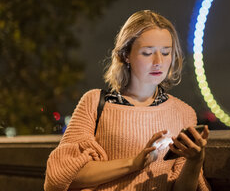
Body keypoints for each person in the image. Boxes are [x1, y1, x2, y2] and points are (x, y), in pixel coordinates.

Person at [44, 10, 211, 191]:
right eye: (147, 53)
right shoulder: (95, 103)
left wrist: (195, 160)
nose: (158, 61)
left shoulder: (184, 113)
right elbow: (59, 178)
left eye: (166, 52)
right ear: (125, 54)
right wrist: (133, 163)